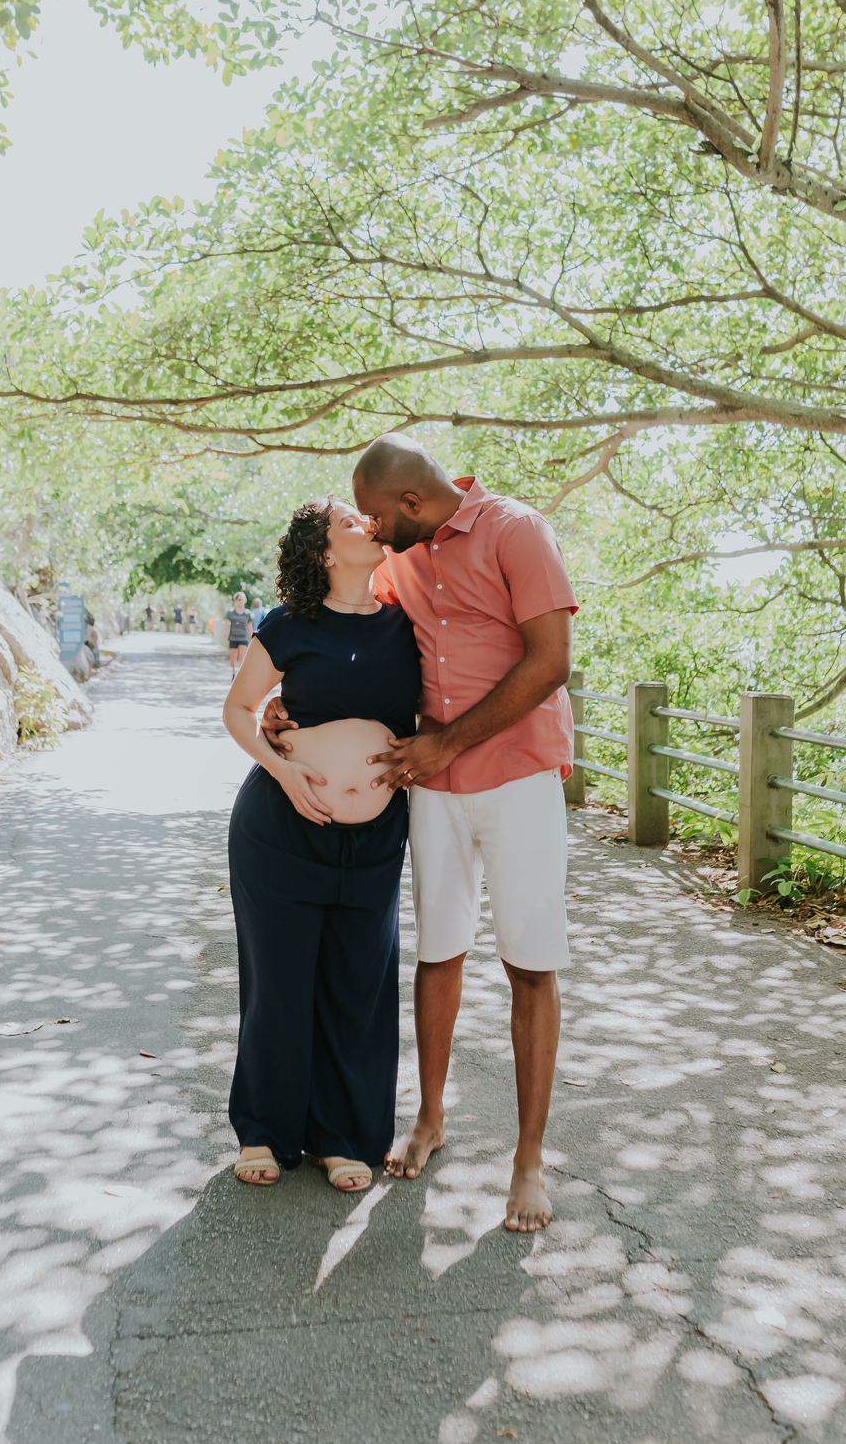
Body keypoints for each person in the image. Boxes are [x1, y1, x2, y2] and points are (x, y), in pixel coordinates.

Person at [264, 435, 575, 1233]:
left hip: (518, 775)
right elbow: (350, 639)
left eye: (375, 516)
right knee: (438, 952)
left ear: (410, 502)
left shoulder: (516, 530)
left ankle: (529, 1162)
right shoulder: (395, 558)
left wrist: (448, 743)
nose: (369, 529)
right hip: (430, 787)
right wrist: (287, 704)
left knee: (530, 963)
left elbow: (549, 662)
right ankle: (430, 1121)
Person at [222, 498, 421, 1192]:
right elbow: (238, 709)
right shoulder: (289, 625)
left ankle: (342, 1137)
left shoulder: (407, 622)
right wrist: (280, 767)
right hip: (280, 831)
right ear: (324, 554)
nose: (368, 524)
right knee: (279, 983)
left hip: (375, 839)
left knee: (358, 985)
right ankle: (265, 1131)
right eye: (348, 522)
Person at [225, 592, 252, 676]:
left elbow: (249, 627)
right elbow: (226, 623)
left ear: (245, 600)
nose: (240, 601)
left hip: (243, 637)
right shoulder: (230, 613)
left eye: (242, 599)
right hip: (233, 637)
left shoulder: (247, 613)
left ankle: (239, 675)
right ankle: (233, 672)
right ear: (235, 601)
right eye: (238, 599)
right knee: (232, 658)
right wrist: (225, 630)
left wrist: (251, 638)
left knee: (242, 656)